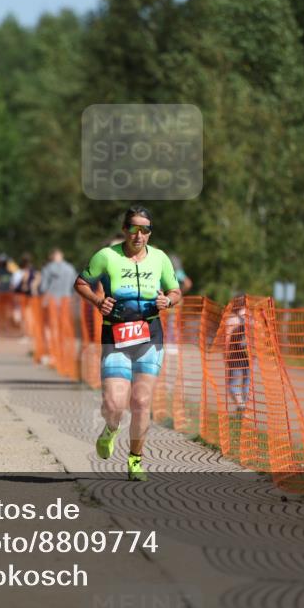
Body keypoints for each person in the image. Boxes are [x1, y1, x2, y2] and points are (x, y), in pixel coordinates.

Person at [74, 206, 182, 481]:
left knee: (142, 400)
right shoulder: (107, 256)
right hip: (116, 336)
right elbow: (81, 283)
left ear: (149, 232)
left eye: (144, 229)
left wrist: (167, 301)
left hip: (150, 336)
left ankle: (135, 460)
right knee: (114, 403)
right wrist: (99, 301)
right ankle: (110, 430)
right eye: (133, 228)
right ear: (125, 229)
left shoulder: (159, 259)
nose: (139, 234)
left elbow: (176, 290)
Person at [223, 294, 250, 417]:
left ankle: (241, 406)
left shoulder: (232, 319)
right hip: (247, 356)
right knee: (246, 383)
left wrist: (226, 354)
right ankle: (245, 410)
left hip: (235, 356)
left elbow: (227, 339)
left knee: (232, 385)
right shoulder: (251, 318)